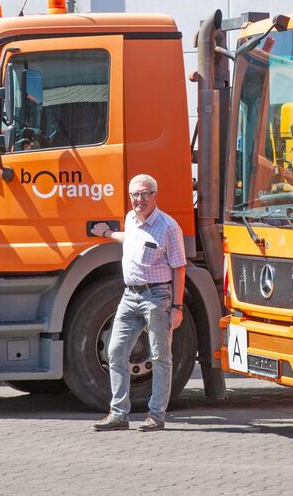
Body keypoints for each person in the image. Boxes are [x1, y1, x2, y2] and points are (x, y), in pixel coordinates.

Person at [89, 174, 186, 432]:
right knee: (115, 352)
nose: (139, 199)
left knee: (160, 357)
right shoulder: (131, 219)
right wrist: (108, 233)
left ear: (155, 195)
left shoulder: (168, 227)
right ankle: (119, 414)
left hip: (157, 298)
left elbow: (179, 268)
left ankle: (156, 415)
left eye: (144, 194)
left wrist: (177, 308)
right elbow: (131, 238)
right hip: (129, 296)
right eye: (134, 194)